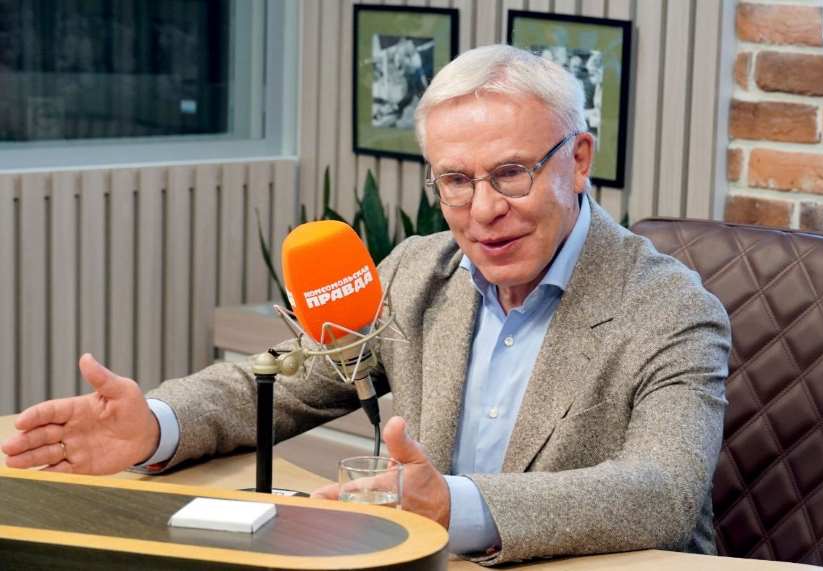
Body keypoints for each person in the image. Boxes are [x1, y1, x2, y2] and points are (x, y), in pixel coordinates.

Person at [1, 45, 730, 565]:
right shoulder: (417, 272)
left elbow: (661, 492)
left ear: (578, 160)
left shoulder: (668, 308)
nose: (483, 211)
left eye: (511, 174)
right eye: (455, 181)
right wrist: (156, 426)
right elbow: (284, 378)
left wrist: (457, 506)